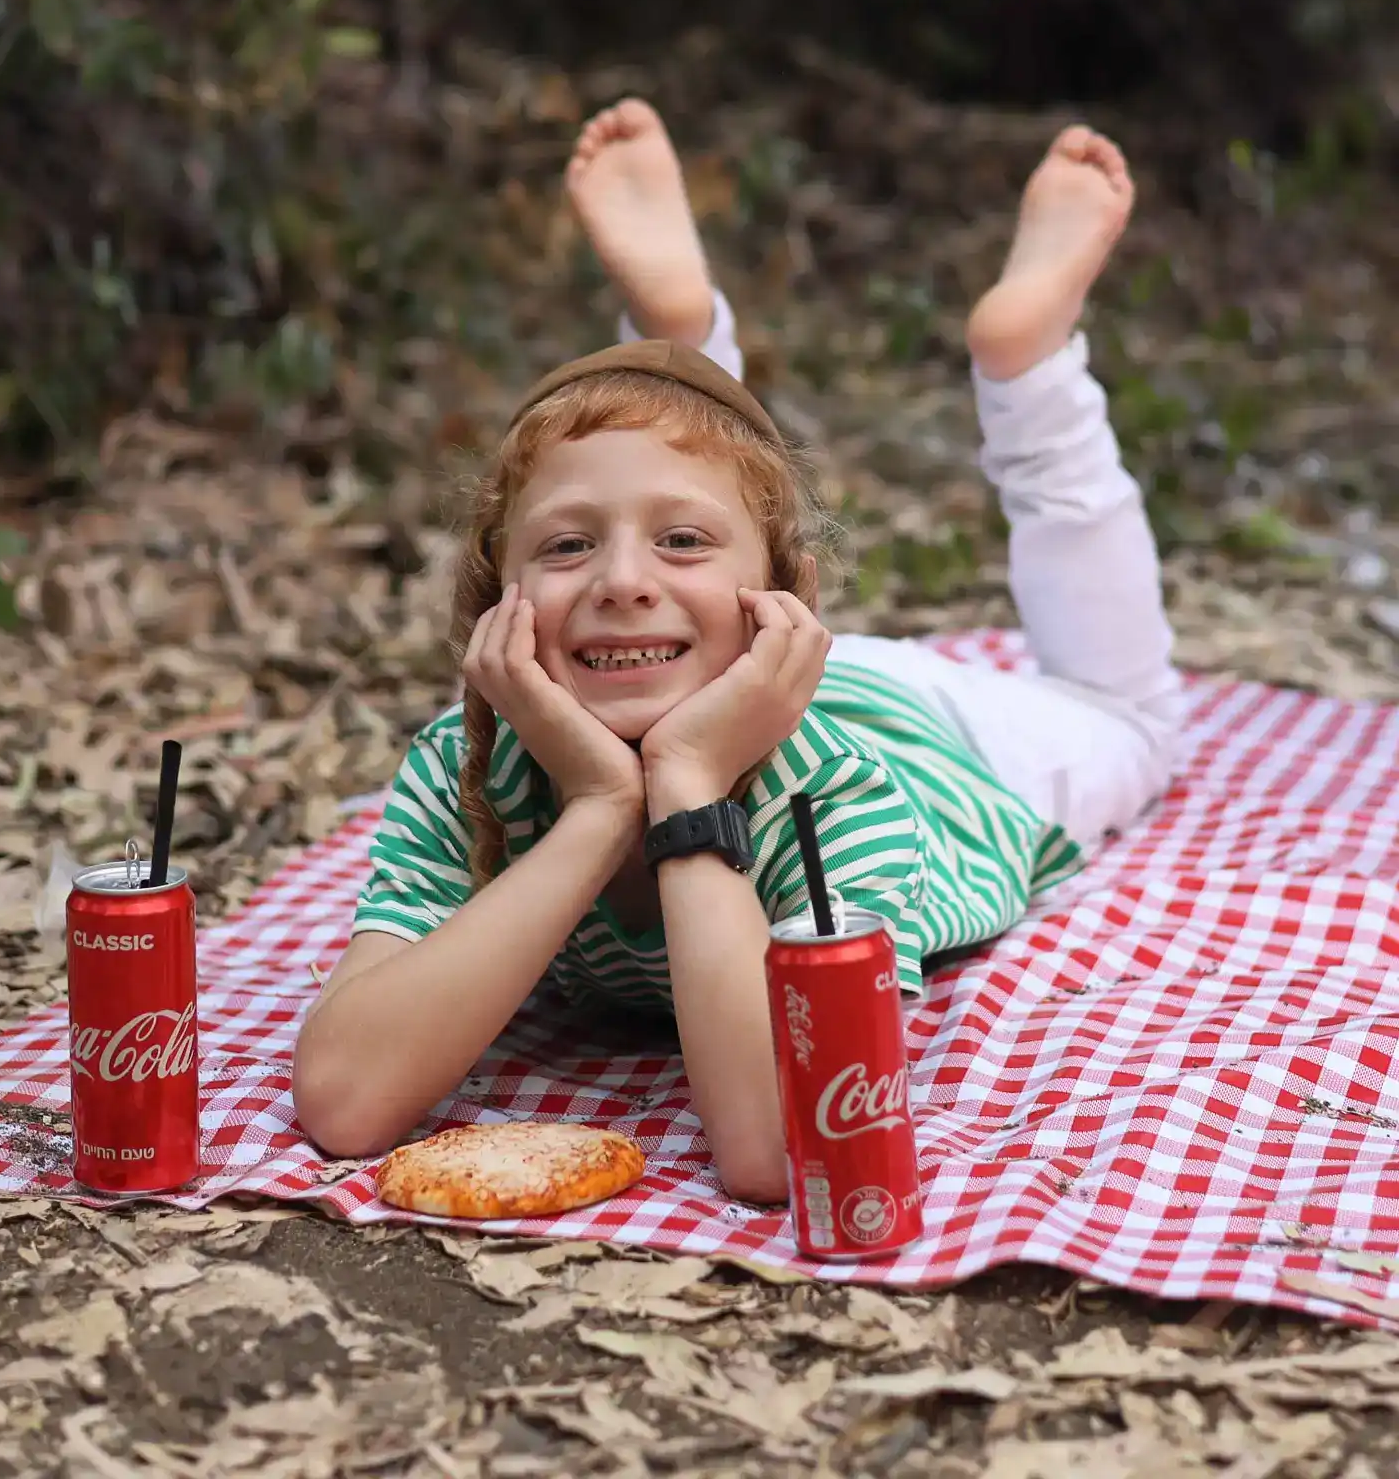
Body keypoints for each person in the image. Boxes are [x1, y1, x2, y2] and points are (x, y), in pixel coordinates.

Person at [293, 99, 1181, 1204]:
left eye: (679, 543)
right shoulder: (466, 769)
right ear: (494, 601)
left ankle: (1031, 374)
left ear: (780, 598)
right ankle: (681, 341)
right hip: (713, 665)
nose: (620, 580)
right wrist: (599, 808)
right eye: (567, 545)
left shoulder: (838, 794)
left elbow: (777, 1146)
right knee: (707, 495)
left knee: (1129, 715)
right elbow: (343, 1100)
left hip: (948, 745)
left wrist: (689, 788)